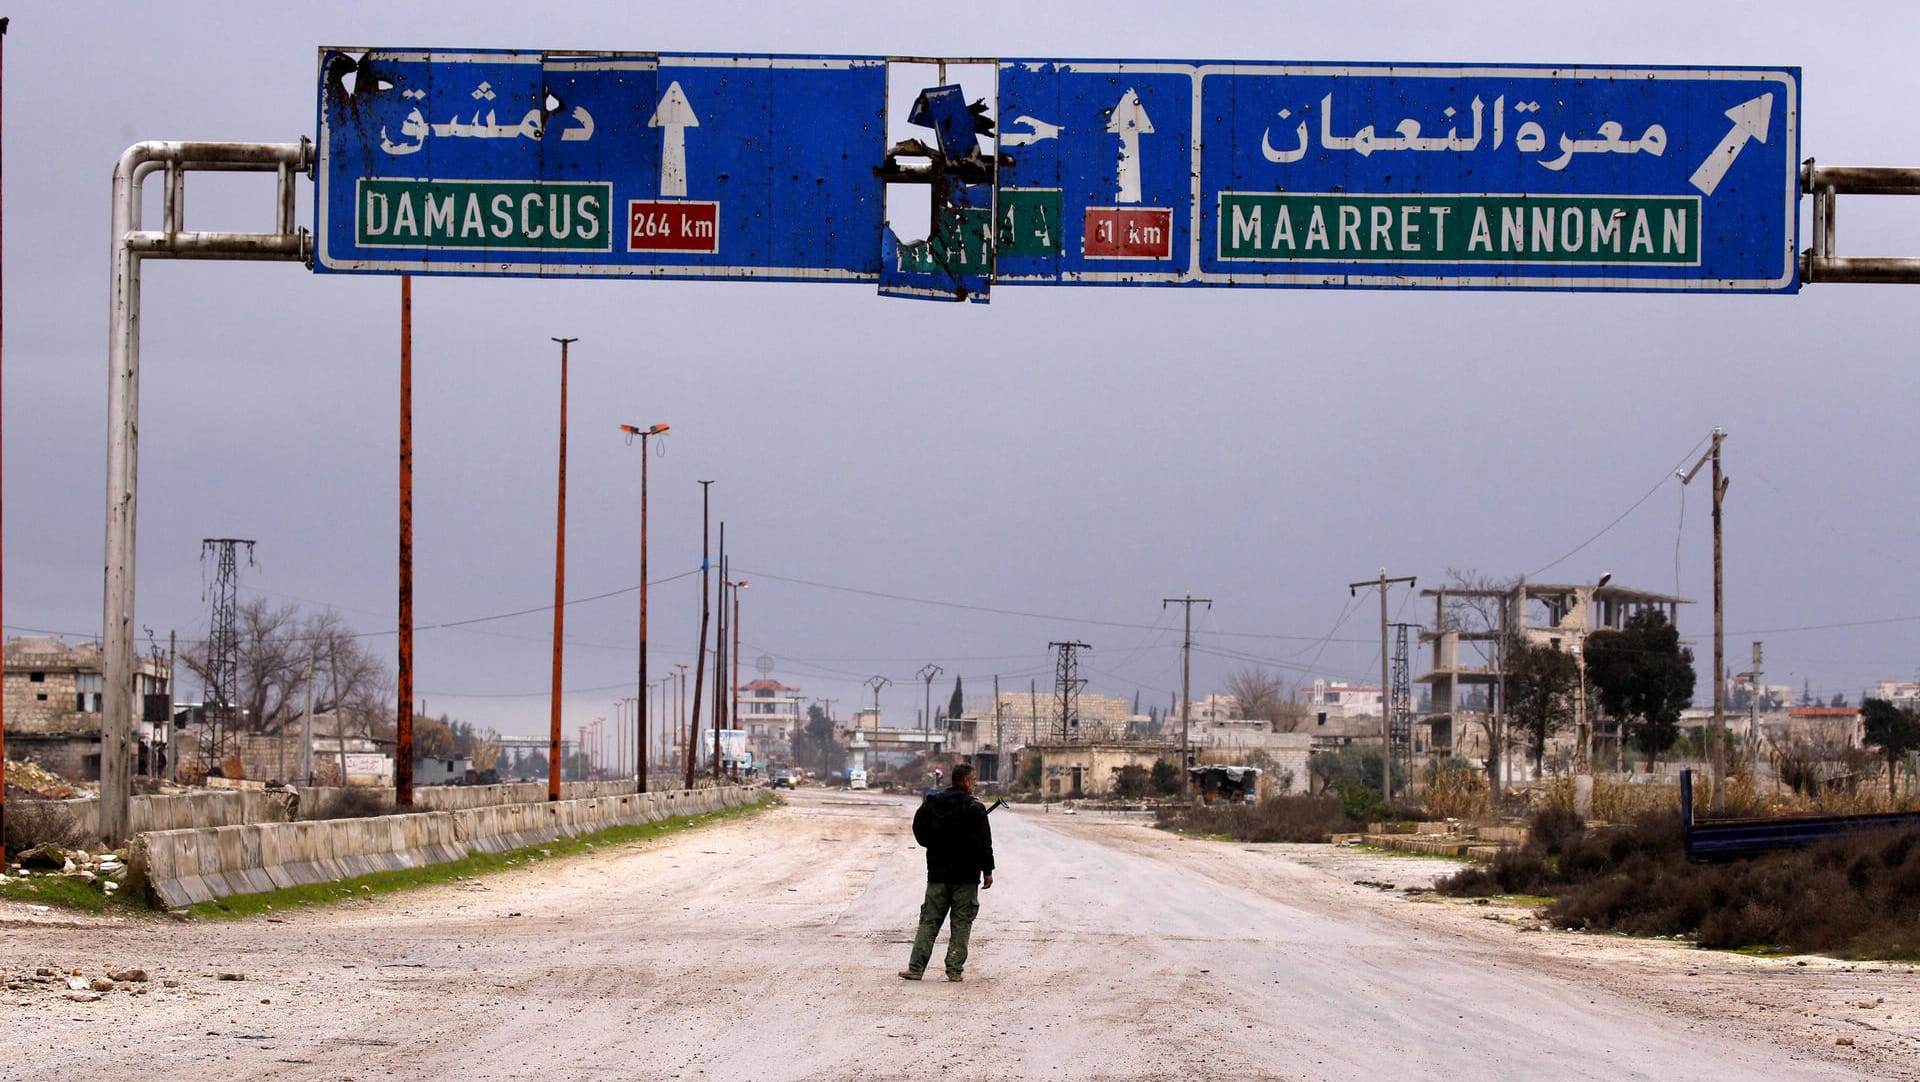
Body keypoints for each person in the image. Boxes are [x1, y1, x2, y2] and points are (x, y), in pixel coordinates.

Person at [899, 762, 994, 982]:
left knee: (929, 921)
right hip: (966, 877)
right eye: (973, 779)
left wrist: (932, 844)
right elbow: (984, 843)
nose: (976, 783)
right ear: (965, 781)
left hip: (938, 874)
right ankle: (954, 971)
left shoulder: (933, 803)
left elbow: (918, 828)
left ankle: (916, 968)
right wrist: (987, 871)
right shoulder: (975, 808)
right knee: (961, 923)